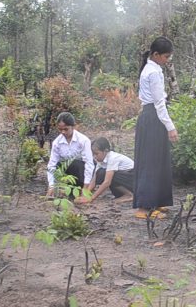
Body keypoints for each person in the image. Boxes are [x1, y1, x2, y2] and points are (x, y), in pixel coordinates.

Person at [133, 37, 179, 219]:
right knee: (150, 161)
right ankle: (144, 208)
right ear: (156, 54)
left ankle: (157, 202)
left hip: (152, 117)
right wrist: (171, 127)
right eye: (166, 57)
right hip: (153, 117)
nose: (167, 60)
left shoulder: (153, 69)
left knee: (159, 160)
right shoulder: (153, 72)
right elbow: (159, 103)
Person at [46, 112, 95, 198]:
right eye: (60, 129)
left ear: (73, 127)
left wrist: (86, 187)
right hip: (67, 174)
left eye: (66, 129)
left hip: (81, 172)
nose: (63, 132)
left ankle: (81, 189)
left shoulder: (83, 141)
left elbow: (89, 163)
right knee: (59, 166)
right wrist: (51, 185)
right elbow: (51, 165)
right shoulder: (57, 143)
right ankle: (64, 189)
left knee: (74, 163)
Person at [76, 137, 134, 204]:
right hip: (123, 180)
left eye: (96, 154)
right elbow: (94, 179)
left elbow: (107, 182)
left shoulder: (113, 158)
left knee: (104, 173)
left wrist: (91, 198)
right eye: (93, 154)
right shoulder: (101, 160)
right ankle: (123, 194)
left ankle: (129, 195)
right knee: (100, 173)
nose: (94, 157)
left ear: (105, 151)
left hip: (132, 180)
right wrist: (85, 195)